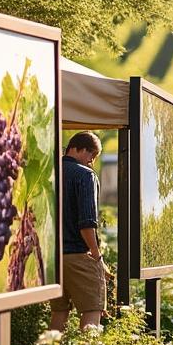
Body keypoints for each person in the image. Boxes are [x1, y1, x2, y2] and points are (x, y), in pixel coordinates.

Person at [51, 131, 106, 331]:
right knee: (93, 310)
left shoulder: (50, 171)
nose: (92, 161)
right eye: (91, 154)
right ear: (78, 148)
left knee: (59, 312)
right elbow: (87, 222)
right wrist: (96, 255)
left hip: (54, 259)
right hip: (78, 255)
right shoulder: (85, 175)